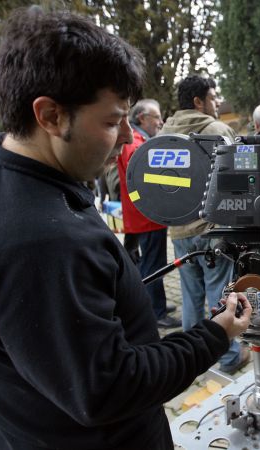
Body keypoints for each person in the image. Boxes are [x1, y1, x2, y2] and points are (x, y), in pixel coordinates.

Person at [0, 8, 251, 449]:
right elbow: (108, 387)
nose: (123, 140)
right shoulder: (40, 239)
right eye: (112, 122)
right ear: (50, 115)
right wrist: (217, 334)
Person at [160, 75, 250, 374]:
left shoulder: (164, 132)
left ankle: (192, 358)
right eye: (213, 97)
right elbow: (242, 173)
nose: (217, 102)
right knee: (219, 293)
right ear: (198, 101)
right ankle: (228, 357)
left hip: (177, 229)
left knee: (190, 295)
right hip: (212, 231)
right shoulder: (217, 129)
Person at [116, 99, 178, 328]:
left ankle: (156, 302)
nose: (160, 122)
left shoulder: (139, 141)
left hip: (144, 215)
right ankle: (156, 312)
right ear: (142, 118)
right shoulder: (136, 143)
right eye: (157, 117)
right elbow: (147, 179)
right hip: (147, 217)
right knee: (154, 265)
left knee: (150, 262)